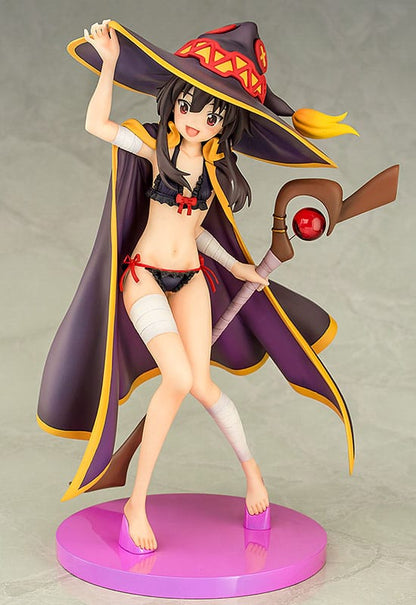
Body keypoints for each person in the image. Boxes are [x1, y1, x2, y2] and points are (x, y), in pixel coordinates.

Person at [37, 20, 357, 554]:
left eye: (213, 116)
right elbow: (96, 123)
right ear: (173, 101)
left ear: (226, 124)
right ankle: (137, 504)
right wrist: (110, 64)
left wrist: (236, 267)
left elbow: (197, 233)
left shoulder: (213, 170)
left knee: (202, 386)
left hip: (191, 280)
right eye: (188, 106)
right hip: (143, 278)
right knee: (179, 378)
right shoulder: (152, 149)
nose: (196, 121)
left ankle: (254, 476)